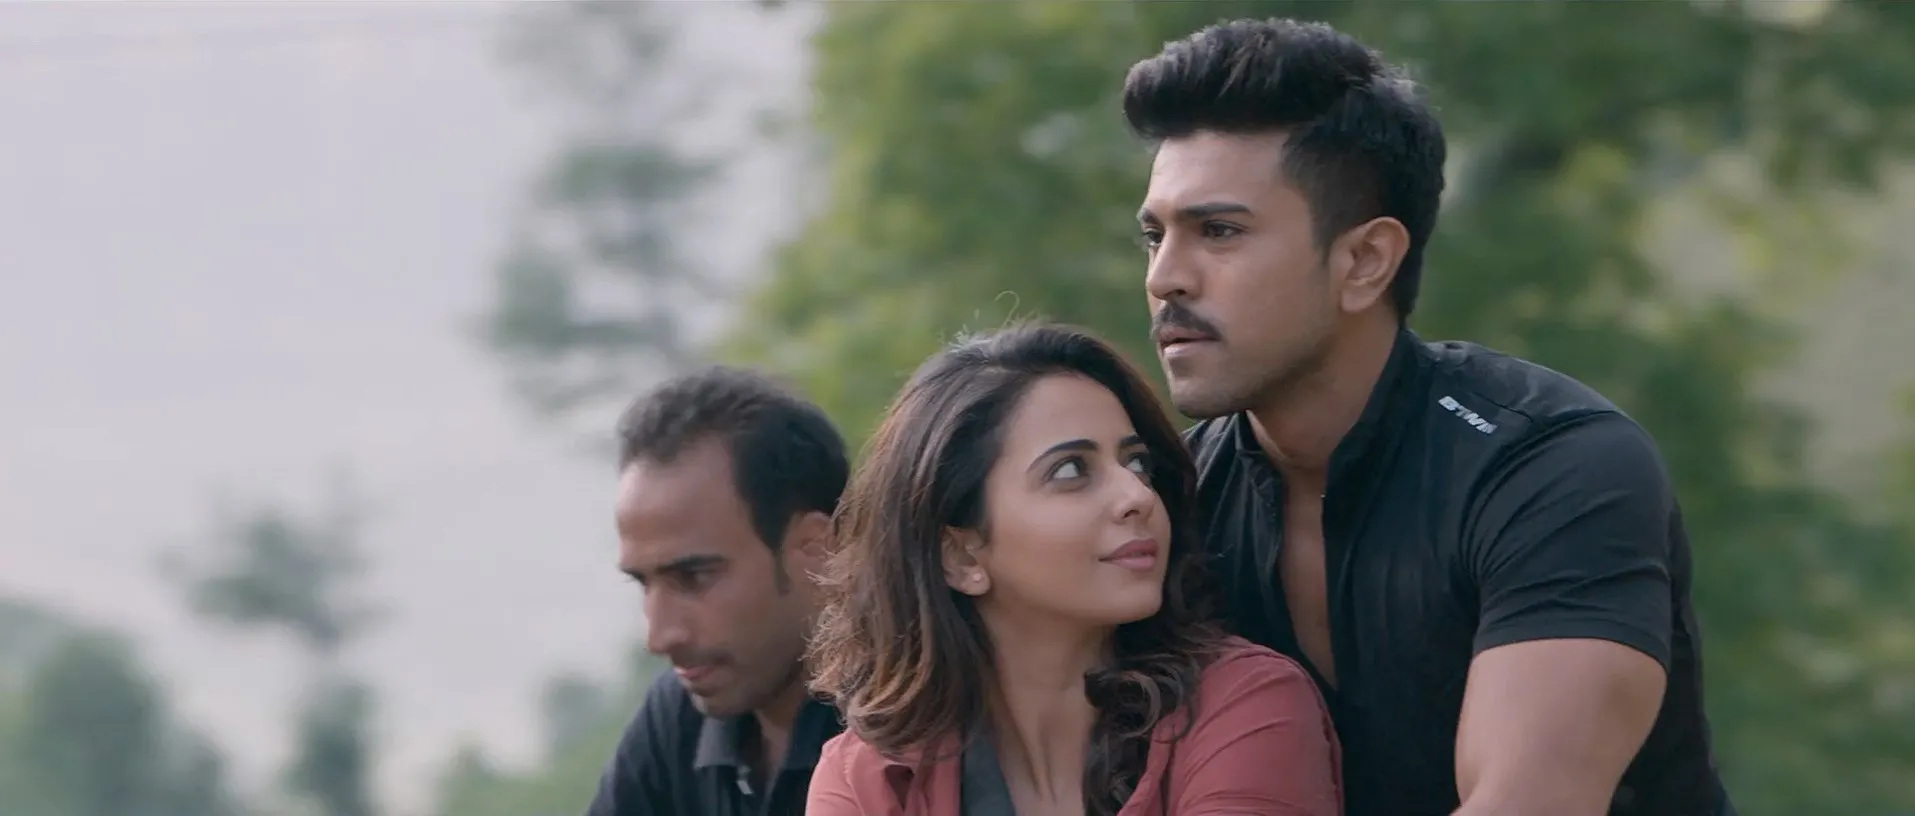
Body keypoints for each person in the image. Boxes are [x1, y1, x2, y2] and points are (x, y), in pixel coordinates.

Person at [1123, 17, 1734, 816]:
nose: (1165, 278)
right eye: (1153, 237)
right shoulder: (1165, 503)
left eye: (1219, 232)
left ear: (1364, 260)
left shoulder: (1549, 467)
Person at [805, 324, 1342, 816]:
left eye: (1137, 463)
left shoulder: (1247, 708)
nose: (1137, 496)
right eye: (1070, 471)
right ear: (961, 556)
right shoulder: (868, 782)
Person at [585, 366, 849, 816]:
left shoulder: (915, 724)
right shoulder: (679, 720)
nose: (659, 637)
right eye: (644, 583)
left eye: (694, 578)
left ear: (816, 548)